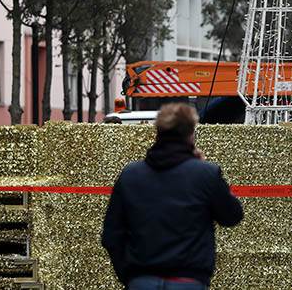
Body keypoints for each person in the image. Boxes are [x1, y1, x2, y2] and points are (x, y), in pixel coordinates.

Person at [101, 102, 244, 289]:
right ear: (191, 134)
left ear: (158, 131)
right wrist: (210, 176)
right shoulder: (204, 174)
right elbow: (232, 216)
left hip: (142, 280)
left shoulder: (130, 175)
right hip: (188, 279)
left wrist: (129, 275)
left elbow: (111, 235)